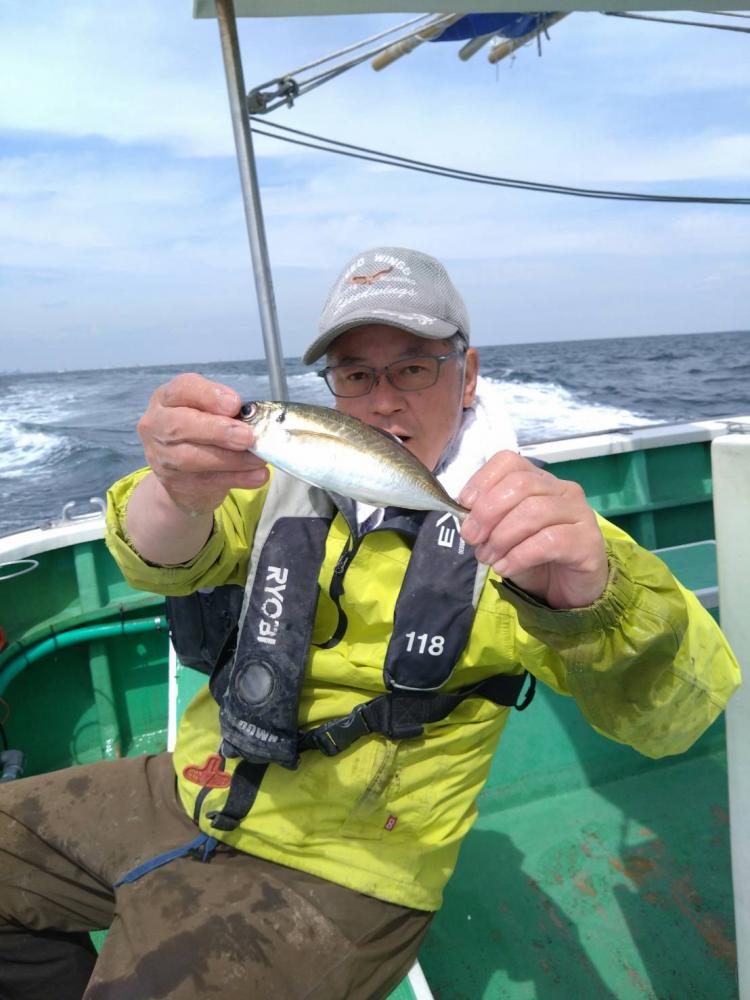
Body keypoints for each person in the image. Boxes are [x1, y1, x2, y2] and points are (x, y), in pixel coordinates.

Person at [0, 246, 740, 1000]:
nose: (383, 403)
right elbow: (163, 560)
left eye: (413, 368)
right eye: (355, 375)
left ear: (468, 375)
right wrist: (173, 491)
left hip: (348, 866)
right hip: (194, 784)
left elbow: (673, 717)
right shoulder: (280, 477)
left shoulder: (532, 532)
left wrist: (586, 601)